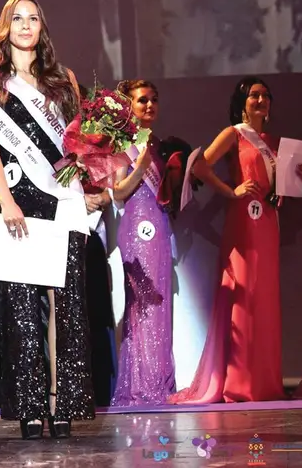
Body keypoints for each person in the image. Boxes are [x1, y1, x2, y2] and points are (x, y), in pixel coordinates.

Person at [0, 0, 102, 439]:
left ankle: (62, 404)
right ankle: (29, 408)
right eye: (17, 18)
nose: (25, 25)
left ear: (42, 26)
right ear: (6, 26)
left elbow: (80, 143)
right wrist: (8, 202)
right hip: (17, 200)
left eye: (33, 18)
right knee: (21, 309)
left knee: (66, 306)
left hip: (61, 199)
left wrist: (90, 183)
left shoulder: (64, 80)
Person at [169, 76, 302, 404]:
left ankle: (263, 382)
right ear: (242, 103)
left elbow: (283, 188)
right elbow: (200, 166)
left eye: (265, 96)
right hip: (243, 223)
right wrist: (230, 192)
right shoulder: (234, 133)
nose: (260, 101)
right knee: (243, 297)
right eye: (253, 96)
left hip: (267, 223)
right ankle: (238, 383)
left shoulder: (275, 141)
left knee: (264, 300)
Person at [108, 80, 178, 406]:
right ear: (129, 106)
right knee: (141, 306)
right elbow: (119, 192)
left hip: (159, 226)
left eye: (154, 100)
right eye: (142, 101)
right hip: (136, 229)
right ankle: (140, 384)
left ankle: (160, 382)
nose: (149, 106)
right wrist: (140, 165)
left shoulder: (159, 142)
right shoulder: (124, 144)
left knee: (160, 306)